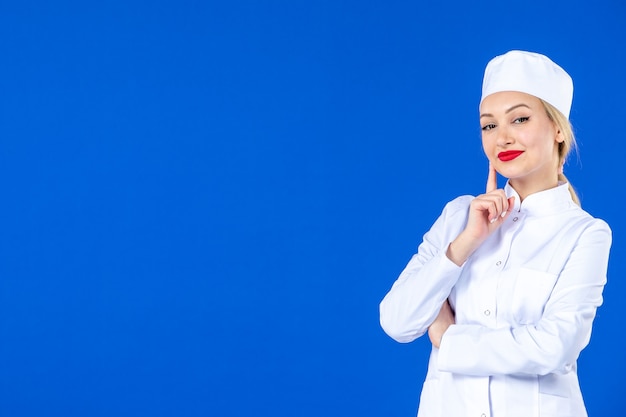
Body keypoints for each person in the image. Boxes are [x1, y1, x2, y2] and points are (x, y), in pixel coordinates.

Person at [379, 50, 612, 417]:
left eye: (519, 119)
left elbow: (555, 346)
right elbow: (396, 321)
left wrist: (448, 339)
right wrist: (464, 245)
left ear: (556, 128)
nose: (501, 138)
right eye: (489, 125)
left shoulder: (585, 233)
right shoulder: (459, 216)